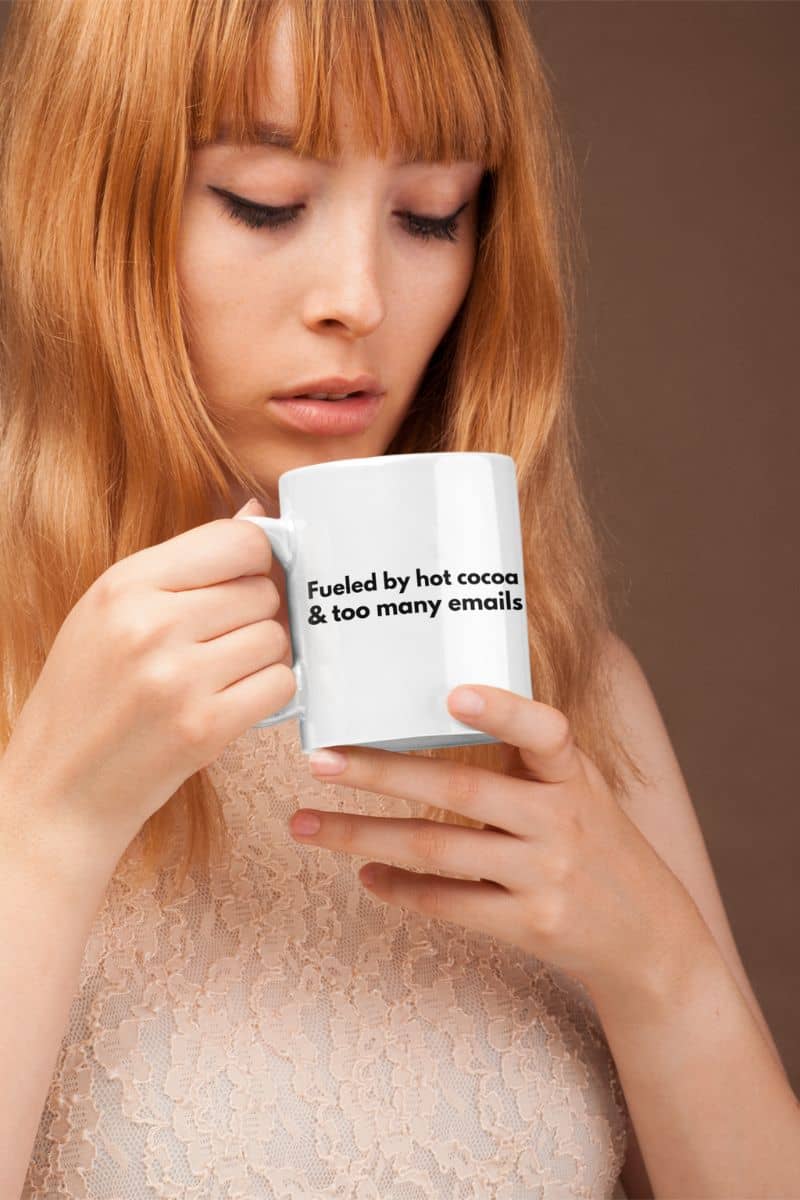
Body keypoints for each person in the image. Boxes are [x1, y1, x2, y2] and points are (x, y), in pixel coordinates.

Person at [0, 1, 797, 1197]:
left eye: (432, 213)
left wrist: (662, 970)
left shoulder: (563, 683)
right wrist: (46, 837)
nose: (357, 299)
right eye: (263, 200)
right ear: (88, 203)